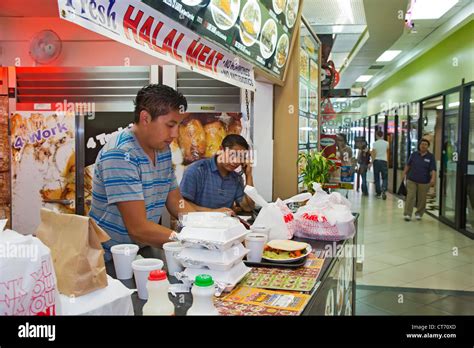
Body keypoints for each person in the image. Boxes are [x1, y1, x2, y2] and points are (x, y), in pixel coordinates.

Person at [89, 84, 232, 260]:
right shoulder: (121, 154)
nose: (174, 134)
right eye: (170, 125)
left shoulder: (162, 151)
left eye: (178, 125)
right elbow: (138, 229)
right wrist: (188, 240)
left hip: (139, 251)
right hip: (108, 257)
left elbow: (176, 203)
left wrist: (206, 224)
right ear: (145, 118)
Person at [180, 134, 255, 212]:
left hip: (224, 223)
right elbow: (182, 204)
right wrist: (213, 212)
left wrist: (248, 175)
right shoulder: (197, 170)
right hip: (197, 223)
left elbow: (248, 207)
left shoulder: (236, 178)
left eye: (241, 157)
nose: (236, 161)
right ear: (221, 150)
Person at [402, 138, 436, 221]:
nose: (423, 146)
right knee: (410, 196)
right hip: (412, 179)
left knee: (422, 198)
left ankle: (419, 213)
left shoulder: (431, 157)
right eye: (422, 144)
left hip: (424, 181)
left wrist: (433, 179)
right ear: (419, 145)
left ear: (428, 146)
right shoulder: (414, 154)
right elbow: (408, 165)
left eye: (425, 144)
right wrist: (404, 174)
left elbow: (433, 169)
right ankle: (407, 214)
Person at [371, 130, 389, 199]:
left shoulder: (375, 143)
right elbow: (387, 151)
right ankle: (384, 189)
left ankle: (378, 193)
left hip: (376, 161)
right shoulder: (386, 143)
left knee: (377, 177)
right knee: (384, 177)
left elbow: (373, 154)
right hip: (384, 161)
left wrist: (371, 162)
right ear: (382, 135)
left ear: (377, 135)